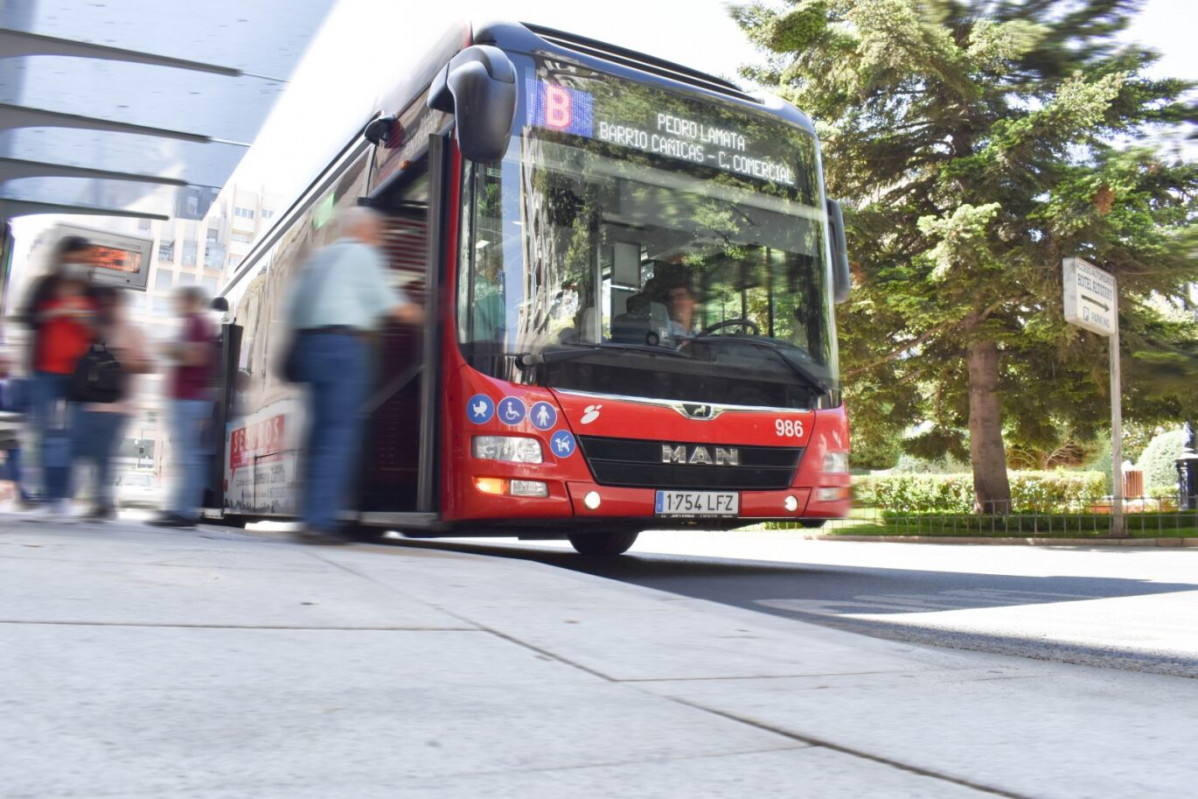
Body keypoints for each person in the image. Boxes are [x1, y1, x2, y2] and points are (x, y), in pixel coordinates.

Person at [285, 206, 422, 544]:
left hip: (311, 347)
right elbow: (392, 306)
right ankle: (322, 522)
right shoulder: (363, 255)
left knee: (318, 435)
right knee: (339, 434)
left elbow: (294, 309)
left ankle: (309, 517)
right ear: (365, 231)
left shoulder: (321, 259)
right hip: (344, 349)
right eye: (377, 233)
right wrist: (429, 313)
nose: (378, 239)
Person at [74, 287, 151, 522]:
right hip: (87, 404)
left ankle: (103, 501)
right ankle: (96, 499)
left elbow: (148, 365)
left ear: (120, 305)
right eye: (103, 303)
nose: (107, 308)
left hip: (118, 407)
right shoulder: (91, 330)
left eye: (112, 303)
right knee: (86, 453)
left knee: (105, 454)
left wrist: (119, 359)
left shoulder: (131, 331)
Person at [25, 268, 96, 517]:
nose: (69, 292)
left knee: (71, 438)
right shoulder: (49, 305)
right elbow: (33, 320)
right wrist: (56, 310)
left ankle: (63, 496)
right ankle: (47, 496)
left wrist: (80, 315)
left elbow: (97, 333)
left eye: (74, 288)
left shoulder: (87, 307)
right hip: (45, 374)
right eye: (66, 287)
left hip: (74, 379)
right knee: (44, 435)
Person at [149, 286, 215, 529]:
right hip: (188, 398)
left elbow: (196, 357)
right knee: (185, 457)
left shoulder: (198, 322)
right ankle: (179, 508)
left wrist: (168, 349)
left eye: (178, 300)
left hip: (188, 398)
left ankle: (184, 511)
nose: (175, 304)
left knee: (188, 457)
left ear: (190, 300)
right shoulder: (196, 323)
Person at [0, 354, 32, 506]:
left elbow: (26, 405)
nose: (3, 365)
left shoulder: (19, 384)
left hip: (11, 427)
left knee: (14, 459)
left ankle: (22, 493)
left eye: (6, 362)